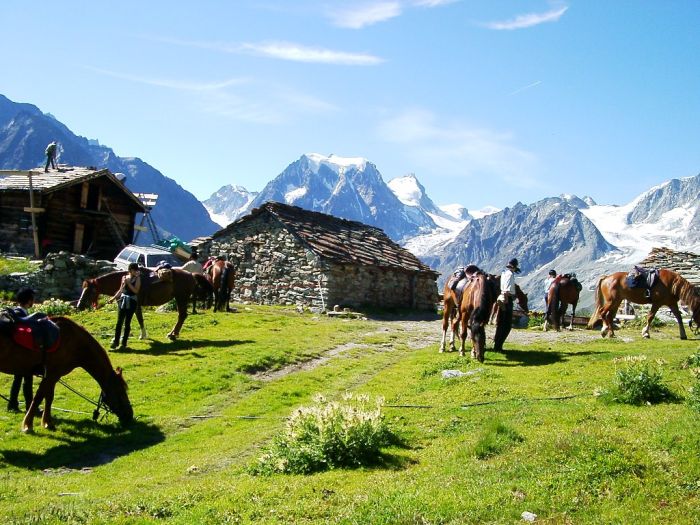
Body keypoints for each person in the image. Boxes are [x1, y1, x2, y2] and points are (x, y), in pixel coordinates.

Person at [7, 288, 39, 413]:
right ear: (29, 300)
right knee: (27, 378)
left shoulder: (17, 312)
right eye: (32, 299)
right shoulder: (20, 313)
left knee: (18, 378)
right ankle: (30, 407)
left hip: (18, 353)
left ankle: (13, 404)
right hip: (22, 352)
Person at [108, 262, 141, 350]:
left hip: (132, 301)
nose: (136, 272)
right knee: (119, 322)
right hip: (123, 300)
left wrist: (129, 283)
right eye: (134, 270)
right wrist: (113, 298)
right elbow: (121, 289)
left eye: (136, 270)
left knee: (127, 322)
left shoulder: (137, 279)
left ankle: (124, 343)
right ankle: (116, 342)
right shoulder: (124, 277)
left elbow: (136, 291)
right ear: (130, 270)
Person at [494, 258, 521, 352]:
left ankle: (496, 344)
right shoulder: (510, 274)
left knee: (500, 323)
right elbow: (507, 289)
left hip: (501, 297)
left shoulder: (504, 273)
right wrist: (507, 300)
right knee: (507, 325)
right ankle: (499, 346)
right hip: (507, 299)